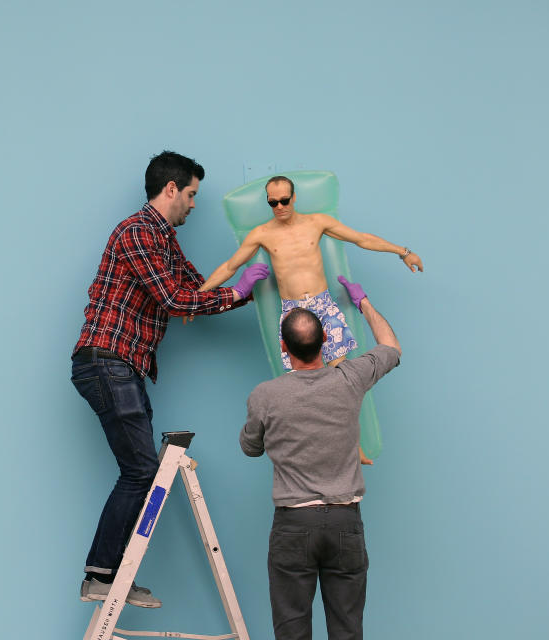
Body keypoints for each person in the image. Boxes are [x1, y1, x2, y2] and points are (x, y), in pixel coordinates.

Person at [72, 151, 266, 608]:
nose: (194, 205)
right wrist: (235, 291)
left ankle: (109, 575)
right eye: (193, 194)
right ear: (172, 188)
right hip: (106, 360)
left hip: (125, 366)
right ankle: (100, 575)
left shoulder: (165, 241)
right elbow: (175, 301)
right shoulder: (138, 231)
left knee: (142, 470)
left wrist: (249, 291)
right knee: (141, 471)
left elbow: (195, 290)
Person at [240, 276, 401, 640]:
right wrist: (363, 302)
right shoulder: (351, 378)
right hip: (345, 522)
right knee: (347, 631)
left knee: (292, 632)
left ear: (285, 346)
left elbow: (251, 448)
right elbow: (391, 346)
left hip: (293, 526)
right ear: (326, 341)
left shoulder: (265, 395)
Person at [198, 175, 422, 371]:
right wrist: (199, 298)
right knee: (305, 379)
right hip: (293, 312)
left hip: (324, 305)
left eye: (284, 200)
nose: (279, 207)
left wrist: (403, 252)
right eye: (273, 203)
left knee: (341, 373)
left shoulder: (317, 222)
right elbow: (230, 266)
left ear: (294, 197)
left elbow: (361, 239)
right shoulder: (261, 234)